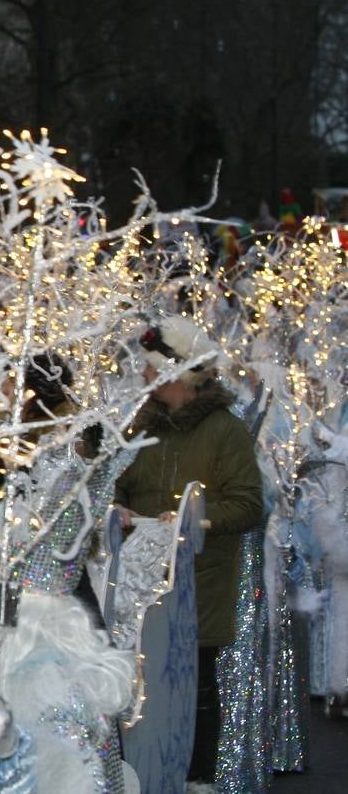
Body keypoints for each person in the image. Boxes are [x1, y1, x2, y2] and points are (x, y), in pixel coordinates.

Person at [114, 315, 263, 786]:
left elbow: (247, 505)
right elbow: (114, 485)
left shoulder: (225, 431)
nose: (141, 375)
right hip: (139, 582)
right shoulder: (140, 427)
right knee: (140, 686)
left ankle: (197, 779)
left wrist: (190, 522)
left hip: (198, 584)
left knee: (194, 684)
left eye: (149, 367)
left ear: (174, 374)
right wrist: (115, 508)